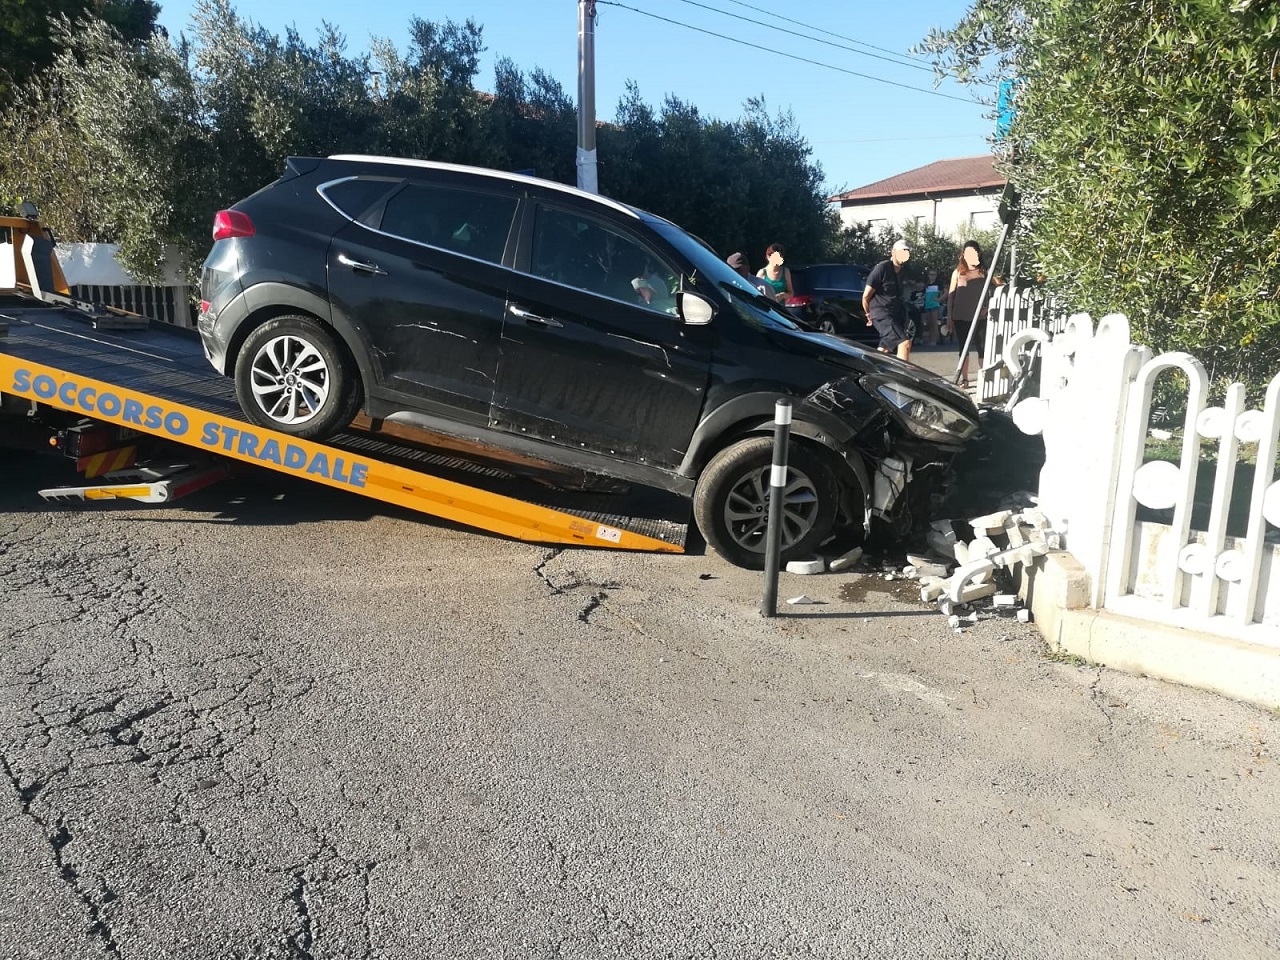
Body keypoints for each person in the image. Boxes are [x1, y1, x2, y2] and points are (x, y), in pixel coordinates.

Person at [947, 240, 996, 388]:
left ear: (978, 254)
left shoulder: (985, 272)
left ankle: (985, 378)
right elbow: (951, 295)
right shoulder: (957, 272)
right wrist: (949, 316)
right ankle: (965, 379)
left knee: (982, 347)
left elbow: (995, 290)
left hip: (980, 317)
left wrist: (989, 306)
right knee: (964, 348)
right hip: (961, 316)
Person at [862, 238, 913, 361]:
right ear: (893, 252)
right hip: (882, 313)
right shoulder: (882, 268)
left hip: (894, 315)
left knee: (883, 352)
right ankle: (903, 378)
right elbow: (865, 296)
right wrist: (868, 314)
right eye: (901, 252)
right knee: (904, 344)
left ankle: (872, 373)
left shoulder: (903, 271)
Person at [921, 269, 943, 346]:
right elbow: (924, 294)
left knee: (934, 323)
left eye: (934, 275)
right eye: (931, 274)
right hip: (927, 305)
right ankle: (930, 339)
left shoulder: (938, 284)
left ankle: (935, 340)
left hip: (935, 305)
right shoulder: (926, 285)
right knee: (929, 323)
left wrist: (940, 299)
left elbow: (946, 292)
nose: (932, 277)